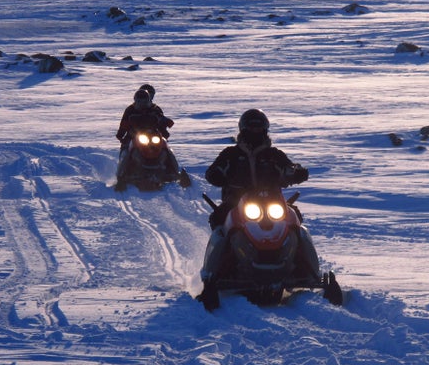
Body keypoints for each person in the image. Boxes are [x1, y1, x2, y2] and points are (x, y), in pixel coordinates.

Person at [198, 109, 319, 304]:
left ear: (265, 128)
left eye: (259, 126)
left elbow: (290, 167)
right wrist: (216, 175)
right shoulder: (231, 154)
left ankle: (308, 270)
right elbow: (214, 170)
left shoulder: (274, 155)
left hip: (272, 202)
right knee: (220, 223)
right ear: (243, 128)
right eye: (251, 126)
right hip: (236, 201)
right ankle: (214, 272)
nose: (255, 130)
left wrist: (296, 173)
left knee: (295, 221)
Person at [115, 87, 177, 182]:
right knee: (126, 152)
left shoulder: (155, 109)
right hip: (134, 134)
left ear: (148, 100)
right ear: (135, 100)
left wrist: (165, 131)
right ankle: (121, 176)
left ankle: (176, 172)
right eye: (140, 102)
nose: (142, 104)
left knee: (167, 149)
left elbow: (161, 121)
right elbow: (124, 124)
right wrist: (120, 135)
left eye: (144, 102)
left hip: (153, 134)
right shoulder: (130, 110)